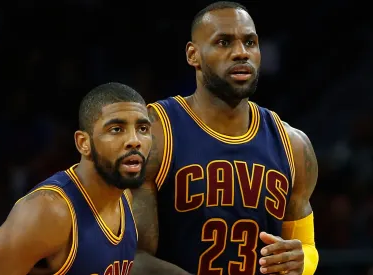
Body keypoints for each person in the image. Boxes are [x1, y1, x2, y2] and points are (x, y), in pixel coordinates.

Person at [130, 2, 319, 275]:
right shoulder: (154, 132)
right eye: (223, 42)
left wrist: (301, 262)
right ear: (193, 55)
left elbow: (307, 248)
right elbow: (130, 258)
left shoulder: (293, 145)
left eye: (250, 42)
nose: (241, 53)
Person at [0, 82, 153, 275]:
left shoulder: (124, 198)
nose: (135, 140)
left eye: (143, 129)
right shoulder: (50, 211)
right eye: (116, 129)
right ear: (83, 143)